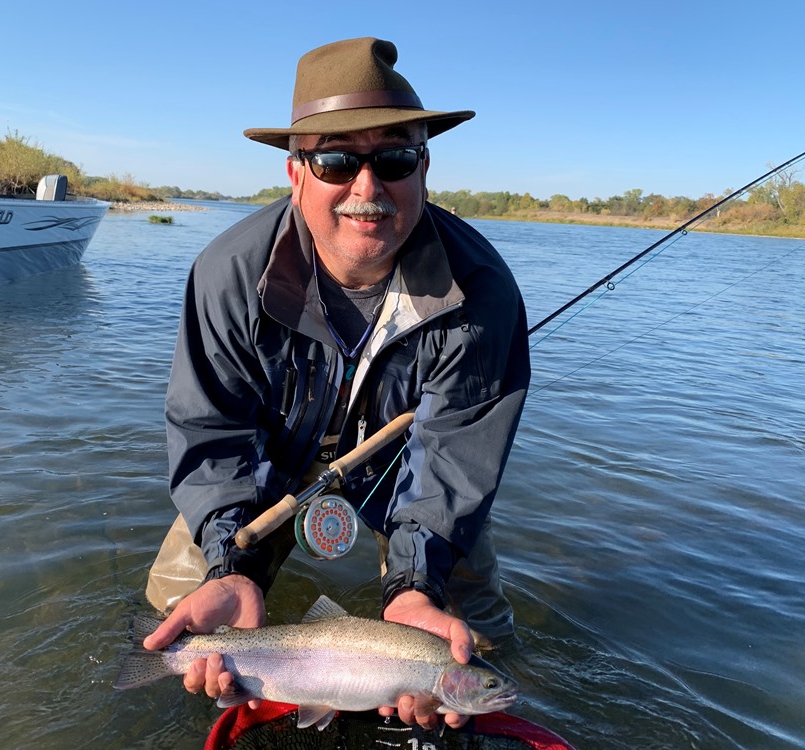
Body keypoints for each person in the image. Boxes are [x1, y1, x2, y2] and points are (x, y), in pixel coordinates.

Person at [142, 37, 531, 730]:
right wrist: (229, 556)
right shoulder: (227, 275)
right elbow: (212, 433)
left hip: (411, 476)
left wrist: (416, 584)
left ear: (424, 167)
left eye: (394, 158)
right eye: (335, 160)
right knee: (179, 615)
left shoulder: (484, 295)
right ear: (296, 173)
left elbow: (452, 463)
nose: (367, 187)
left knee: (478, 636)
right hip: (264, 476)